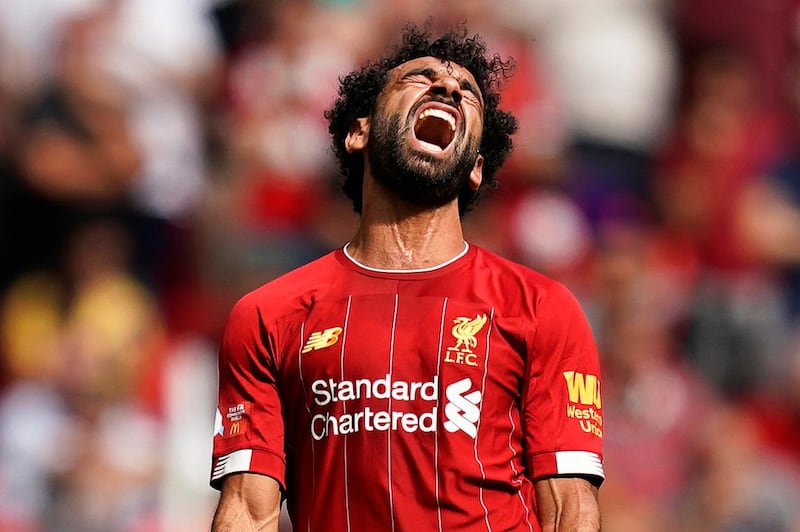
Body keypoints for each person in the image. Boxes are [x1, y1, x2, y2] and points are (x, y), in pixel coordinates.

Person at [210, 22, 604, 531]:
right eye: (418, 78)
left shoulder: (541, 307)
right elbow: (247, 509)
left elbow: (570, 509)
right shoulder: (269, 314)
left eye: (469, 94)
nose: (448, 88)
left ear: (477, 168)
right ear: (360, 131)